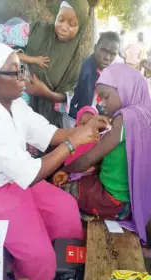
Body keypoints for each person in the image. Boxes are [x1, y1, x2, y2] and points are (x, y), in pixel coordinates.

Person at [0, 41, 107, 280]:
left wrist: (85, 129)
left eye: (22, 69)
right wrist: (72, 144)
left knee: (66, 209)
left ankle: (65, 271)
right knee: (40, 258)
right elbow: (31, 173)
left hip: (17, 179)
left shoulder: (15, 104)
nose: (24, 76)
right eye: (15, 72)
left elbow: (49, 133)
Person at [55, 63, 151, 242]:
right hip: (130, 200)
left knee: (60, 190)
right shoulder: (145, 114)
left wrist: (63, 169)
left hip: (112, 200)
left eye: (106, 97)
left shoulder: (125, 118)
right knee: (84, 180)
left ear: (125, 88)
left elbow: (90, 158)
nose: (103, 105)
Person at [0, 0, 91, 127]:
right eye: (60, 20)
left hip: (43, 114)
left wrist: (45, 92)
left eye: (72, 24)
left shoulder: (76, 62)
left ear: (81, 26)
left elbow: (68, 95)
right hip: (15, 95)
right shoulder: (37, 32)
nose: (63, 27)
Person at [69, 32, 120, 119]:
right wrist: (84, 118)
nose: (107, 58)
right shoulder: (83, 71)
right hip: (74, 122)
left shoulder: (102, 71)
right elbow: (66, 103)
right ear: (95, 47)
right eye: (104, 50)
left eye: (113, 54)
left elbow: (93, 102)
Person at [53, 106, 99, 186]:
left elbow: (96, 163)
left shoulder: (97, 142)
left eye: (90, 124)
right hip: (67, 173)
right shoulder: (72, 138)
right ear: (77, 122)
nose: (86, 128)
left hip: (85, 180)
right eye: (83, 124)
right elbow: (63, 154)